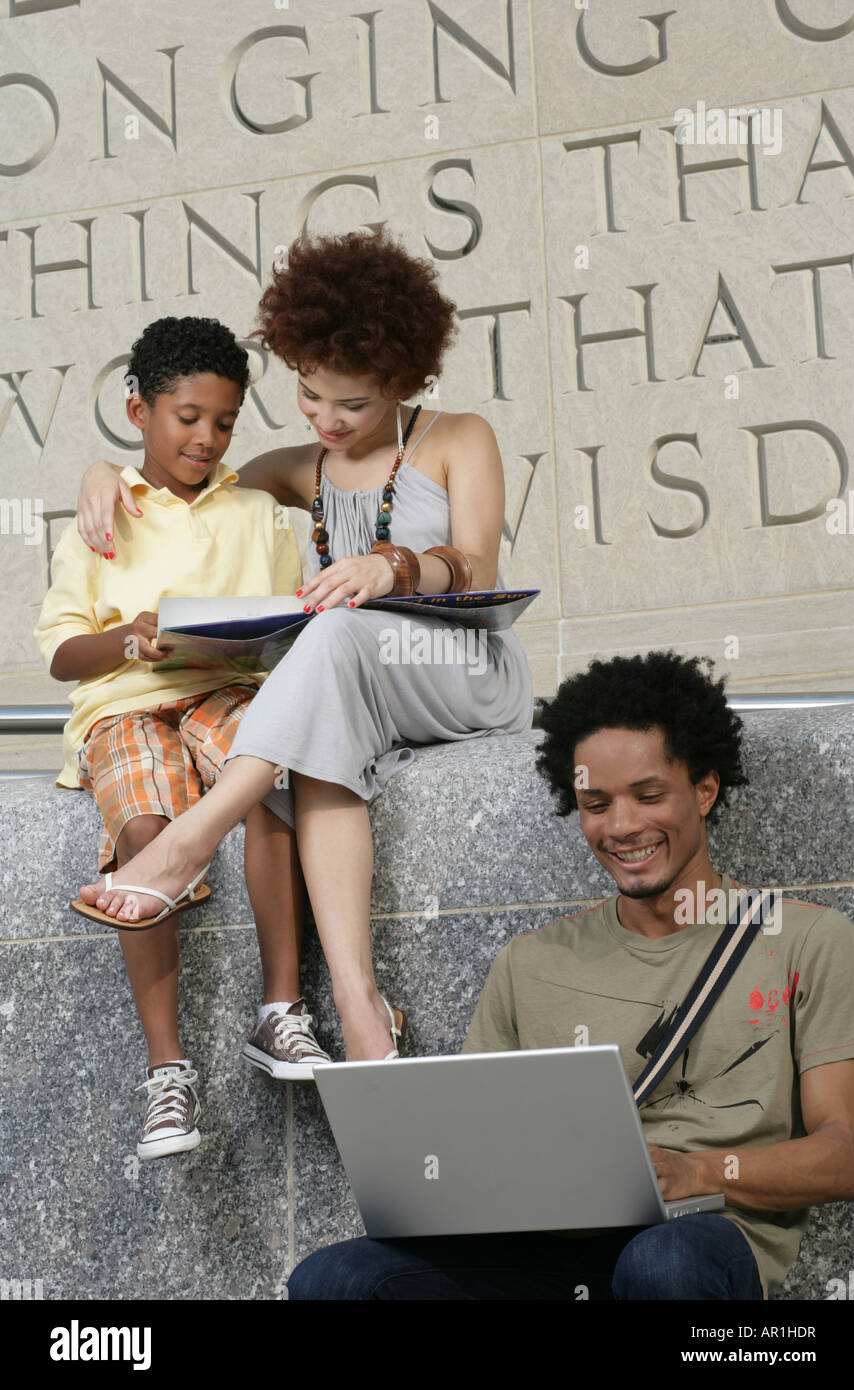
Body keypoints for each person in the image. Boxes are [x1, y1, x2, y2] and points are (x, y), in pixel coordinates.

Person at [72, 227, 534, 1065]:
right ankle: (362, 1011)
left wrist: (389, 568)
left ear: (404, 381)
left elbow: (475, 570)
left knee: (335, 630)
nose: (326, 419)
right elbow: (183, 478)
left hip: (459, 669)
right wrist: (102, 470)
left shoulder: (460, 437)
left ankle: (189, 841)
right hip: (356, 680)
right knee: (315, 753)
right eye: (309, 396)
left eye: (351, 405)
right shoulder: (300, 468)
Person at [285, 651, 854, 1300]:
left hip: (695, 1242)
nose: (622, 827)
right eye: (597, 803)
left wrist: (693, 1173)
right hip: (543, 1258)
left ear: (705, 789)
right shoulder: (529, 963)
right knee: (332, 1279)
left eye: (649, 796)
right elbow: (472, 1149)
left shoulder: (807, 941)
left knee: (661, 1264)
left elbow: (848, 1153)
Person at [33, 315, 329, 1161]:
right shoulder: (103, 516)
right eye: (186, 417)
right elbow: (62, 654)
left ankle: (282, 1011)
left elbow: (290, 626)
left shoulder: (260, 515)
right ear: (138, 412)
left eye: (226, 421)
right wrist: (134, 634)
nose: (206, 437)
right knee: (144, 829)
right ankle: (168, 1072)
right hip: (125, 702)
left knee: (273, 779)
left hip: (229, 688)